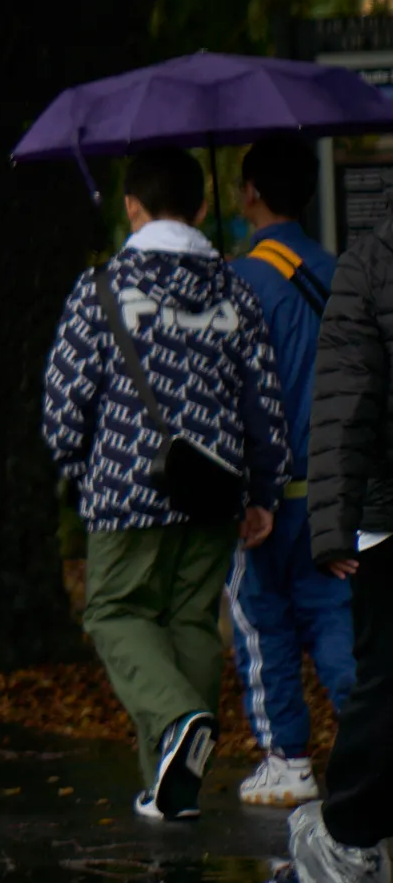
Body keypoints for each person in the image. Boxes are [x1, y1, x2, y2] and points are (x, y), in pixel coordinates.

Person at [40, 147, 282, 822]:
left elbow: (65, 402)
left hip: (126, 486)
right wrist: (262, 490)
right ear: (202, 208)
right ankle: (170, 788)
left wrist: (77, 468)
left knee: (114, 613)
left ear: (131, 208)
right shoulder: (236, 291)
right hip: (215, 487)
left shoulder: (101, 290)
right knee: (191, 621)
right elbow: (263, 400)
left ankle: (177, 720)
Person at [223, 138, 351, 807]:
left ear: (249, 192)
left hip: (271, 493)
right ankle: (374, 738)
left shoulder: (240, 283)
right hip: (342, 487)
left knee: (264, 619)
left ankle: (288, 758)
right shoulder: (340, 270)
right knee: (336, 616)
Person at [297, 199, 393, 883]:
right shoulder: (369, 263)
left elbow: (345, 400)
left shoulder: (370, 262)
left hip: (386, 515)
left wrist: (333, 522)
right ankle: (351, 832)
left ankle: (351, 837)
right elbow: (345, 400)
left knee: (385, 679)